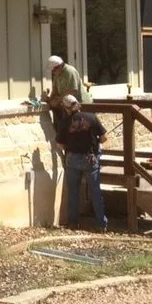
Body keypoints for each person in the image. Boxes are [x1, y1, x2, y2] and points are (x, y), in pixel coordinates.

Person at [55, 93, 108, 231]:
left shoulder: (65, 123)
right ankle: (101, 224)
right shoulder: (91, 117)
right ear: (78, 105)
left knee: (73, 192)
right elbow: (104, 138)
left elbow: (60, 144)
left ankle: (73, 223)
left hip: (72, 158)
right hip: (90, 158)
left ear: (66, 108)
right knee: (95, 191)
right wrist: (96, 141)